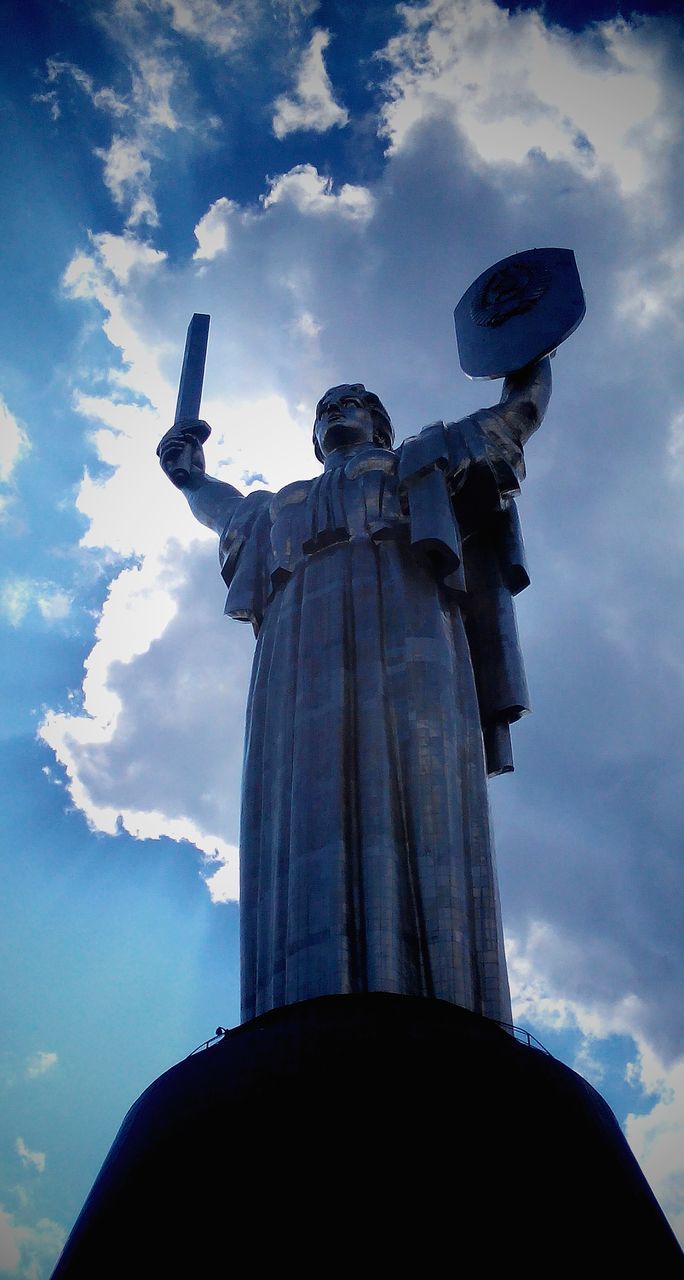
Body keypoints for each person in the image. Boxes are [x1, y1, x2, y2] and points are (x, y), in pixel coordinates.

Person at [158, 359, 551, 1024]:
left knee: (414, 776)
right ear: (314, 436)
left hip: (407, 614)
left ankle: (438, 992)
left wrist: (528, 354)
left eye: (351, 402)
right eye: (326, 407)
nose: (336, 410)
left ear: (378, 422)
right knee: (303, 790)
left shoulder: (420, 458)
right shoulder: (279, 503)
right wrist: (191, 480)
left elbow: (510, 424)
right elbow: (223, 510)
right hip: (297, 643)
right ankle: (299, 1001)